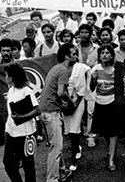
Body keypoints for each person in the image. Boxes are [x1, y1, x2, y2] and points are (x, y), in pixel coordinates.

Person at [39, 44, 77, 182]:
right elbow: (61, 92)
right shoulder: (63, 70)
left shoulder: (56, 68)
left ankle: (61, 172)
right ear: (67, 56)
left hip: (45, 110)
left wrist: (61, 104)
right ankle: (52, 179)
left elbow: (54, 92)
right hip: (50, 112)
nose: (76, 55)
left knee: (56, 145)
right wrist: (71, 102)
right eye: (74, 53)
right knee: (56, 148)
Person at [3, 63, 40, 182]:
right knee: (8, 164)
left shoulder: (26, 91)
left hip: (25, 134)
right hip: (11, 132)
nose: (5, 77)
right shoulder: (11, 89)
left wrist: (22, 117)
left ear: (12, 77)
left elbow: (37, 110)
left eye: (7, 75)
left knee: (28, 165)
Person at [90, 44, 118, 171]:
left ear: (112, 55)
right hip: (99, 102)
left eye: (107, 53)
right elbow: (91, 88)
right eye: (102, 53)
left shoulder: (116, 70)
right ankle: (110, 148)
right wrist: (92, 79)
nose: (105, 55)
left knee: (112, 131)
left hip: (112, 103)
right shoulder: (95, 68)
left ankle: (111, 159)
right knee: (104, 132)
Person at [62, 57, 91, 172]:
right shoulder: (59, 68)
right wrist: (65, 103)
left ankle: (73, 160)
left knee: (74, 131)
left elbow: (85, 87)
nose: (74, 56)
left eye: (75, 53)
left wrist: (75, 103)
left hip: (78, 101)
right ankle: (77, 148)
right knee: (69, 130)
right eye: (71, 54)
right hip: (64, 102)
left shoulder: (82, 68)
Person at [76, 24, 98, 145]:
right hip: (77, 82)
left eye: (86, 32)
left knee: (91, 108)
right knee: (78, 107)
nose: (83, 35)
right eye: (81, 32)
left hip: (92, 82)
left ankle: (90, 135)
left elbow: (100, 65)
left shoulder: (97, 48)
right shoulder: (74, 48)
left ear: (90, 34)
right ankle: (77, 132)